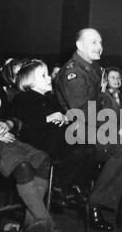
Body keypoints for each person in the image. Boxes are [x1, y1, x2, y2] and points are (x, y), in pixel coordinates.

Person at [0, 32, 73, 232]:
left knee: (43, 160)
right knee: (24, 167)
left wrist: (7, 123)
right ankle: (49, 228)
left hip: (6, 136)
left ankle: (30, 226)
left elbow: (12, 116)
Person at [55, 28, 122, 231]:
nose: (99, 47)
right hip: (78, 131)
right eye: (93, 42)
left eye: (100, 42)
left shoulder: (92, 68)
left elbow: (102, 103)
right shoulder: (73, 72)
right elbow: (83, 112)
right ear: (79, 45)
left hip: (96, 126)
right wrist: (119, 130)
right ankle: (94, 205)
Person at [11, 59, 95, 193]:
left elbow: (64, 115)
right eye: (43, 75)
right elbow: (24, 124)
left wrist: (65, 118)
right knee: (78, 146)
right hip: (37, 142)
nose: (49, 77)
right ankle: (58, 185)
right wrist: (47, 118)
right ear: (29, 81)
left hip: (57, 140)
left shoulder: (52, 98)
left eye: (48, 74)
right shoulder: (23, 98)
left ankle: (67, 185)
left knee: (88, 147)